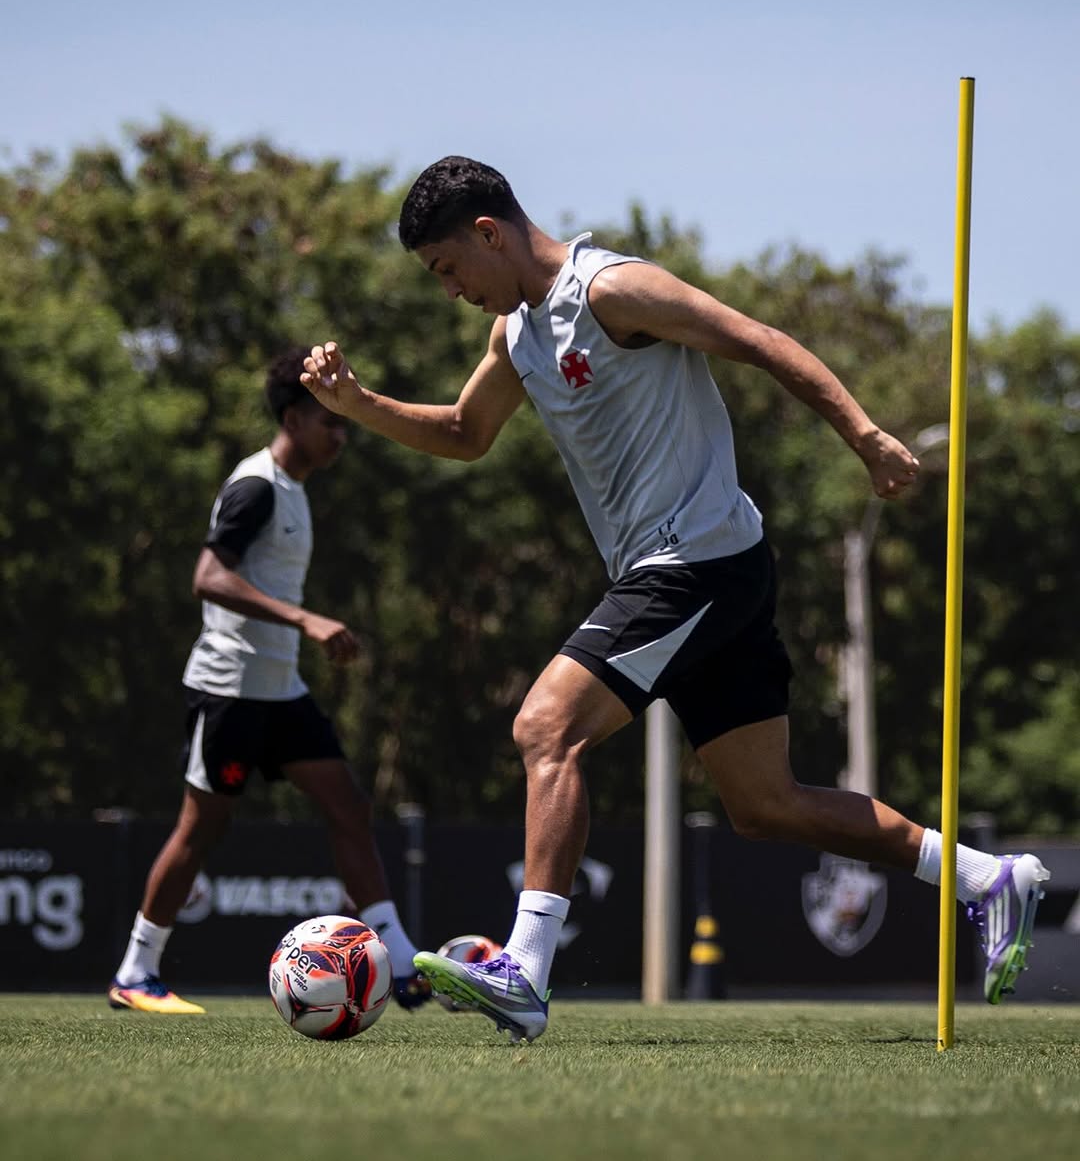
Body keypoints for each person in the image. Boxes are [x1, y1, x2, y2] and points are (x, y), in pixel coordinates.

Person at [301, 157, 1049, 1044]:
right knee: (765, 805)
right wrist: (358, 403)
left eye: (448, 267)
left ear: (489, 234)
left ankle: (525, 972)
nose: (452, 290)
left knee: (545, 728)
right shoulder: (517, 336)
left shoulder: (613, 290)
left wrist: (865, 434)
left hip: (693, 563)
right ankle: (986, 879)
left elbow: (757, 339)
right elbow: (466, 434)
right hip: (705, 568)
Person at [108, 348, 430, 1014]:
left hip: (280, 691)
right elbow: (208, 577)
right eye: (328, 422)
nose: (340, 434)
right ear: (292, 419)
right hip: (229, 690)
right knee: (201, 828)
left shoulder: (295, 490)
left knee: (348, 805)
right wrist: (306, 619)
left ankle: (400, 962)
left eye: (343, 423)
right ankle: (136, 972)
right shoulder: (255, 486)